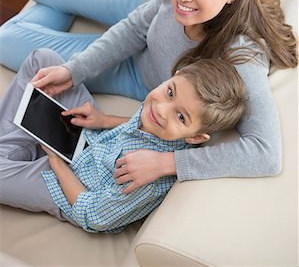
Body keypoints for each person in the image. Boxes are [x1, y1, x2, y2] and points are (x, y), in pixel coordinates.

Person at [0, 0, 297, 192]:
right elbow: (136, 27)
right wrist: (74, 70)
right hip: (146, 6)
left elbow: (265, 153)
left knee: (6, 39)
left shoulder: (242, 56)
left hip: (138, 76)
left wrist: (168, 163)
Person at [0, 48, 245, 233]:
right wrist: (103, 120)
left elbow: (94, 214)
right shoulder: (157, 113)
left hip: (71, 186)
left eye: (180, 116)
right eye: (170, 92)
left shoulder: (146, 178)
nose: (161, 109)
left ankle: (15, 152)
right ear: (174, 76)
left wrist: (55, 161)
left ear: (195, 137)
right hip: (91, 140)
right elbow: (138, 123)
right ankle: (15, 149)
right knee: (43, 60)